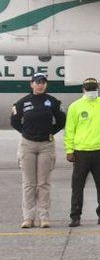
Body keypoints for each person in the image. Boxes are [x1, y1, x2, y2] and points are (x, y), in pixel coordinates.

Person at [11, 73, 65, 228]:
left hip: (46, 145)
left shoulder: (53, 102)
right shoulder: (23, 102)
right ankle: (28, 217)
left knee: (43, 183)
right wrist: (27, 132)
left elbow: (61, 121)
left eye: (43, 82)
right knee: (29, 183)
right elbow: (14, 121)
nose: (40, 85)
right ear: (31, 84)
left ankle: (44, 217)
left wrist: (49, 132)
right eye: (37, 82)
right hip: (27, 144)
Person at [64, 77, 100, 227]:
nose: (92, 91)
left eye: (94, 88)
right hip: (81, 152)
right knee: (77, 186)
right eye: (89, 88)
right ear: (83, 89)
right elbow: (69, 130)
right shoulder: (75, 106)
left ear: (97, 89)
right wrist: (69, 150)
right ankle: (75, 216)